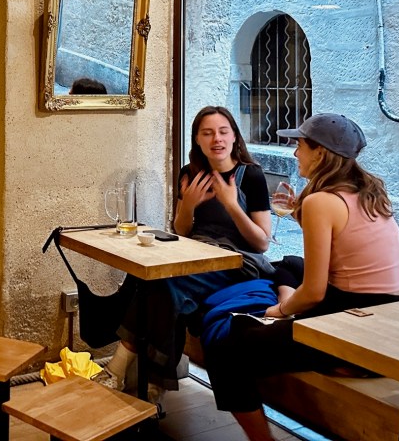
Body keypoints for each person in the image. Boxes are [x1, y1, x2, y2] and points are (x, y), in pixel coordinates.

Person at [202, 113, 399, 441]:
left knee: (225, 348)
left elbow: (314, 292)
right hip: (391, 316)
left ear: (320, 153)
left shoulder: (321, 202)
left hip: (353, 326)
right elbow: (345, 240)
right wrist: (300, 211)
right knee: (290, 263)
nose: (295, 152)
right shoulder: (369, 191)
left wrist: (278, 311)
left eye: (300, 145)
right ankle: (289, 300)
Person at [94, 106, 273, 395]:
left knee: (163, 284)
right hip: (194, 256)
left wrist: (231, 205)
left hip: (236, 263)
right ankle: (150, 383)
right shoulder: (190, 173)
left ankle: (121, 372)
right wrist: (188, 206)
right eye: (208, 133)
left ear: (235, 137)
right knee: (150, 281)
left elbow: (262, 242)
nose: (217, 139)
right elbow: (182, 231)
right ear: (197, 140)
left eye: (223, 132)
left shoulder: (251, 175)